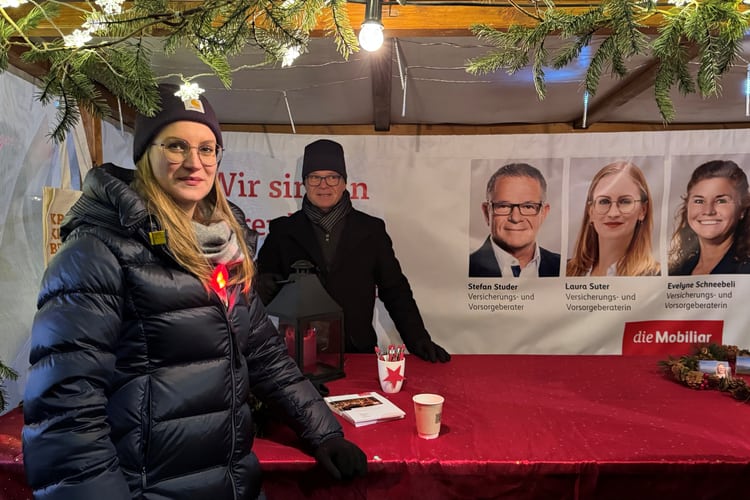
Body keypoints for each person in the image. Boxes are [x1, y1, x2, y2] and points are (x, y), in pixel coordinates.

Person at [22, 84, 366, 500]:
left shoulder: (227, 246)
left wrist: (324, 432)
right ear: (145, 153)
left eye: (206, 149)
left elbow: (265, 355)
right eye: (176, 146)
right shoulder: (96, 250)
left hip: (231, 484)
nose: (194, 162)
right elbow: (66, 411)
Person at [256, 139, 450, 363]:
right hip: (300, 354)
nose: (323, 185)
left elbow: (395, 290)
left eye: (332, 177)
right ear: (304, 183)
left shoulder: (371, 230)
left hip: (357, 352)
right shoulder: (282, 232)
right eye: (315, 177)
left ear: (344, 182)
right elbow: (262, 294)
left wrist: (418, 339)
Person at [567, 161, 660, 277]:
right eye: (604, 201)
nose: (613, 213)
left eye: (625, 201)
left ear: (643, 211)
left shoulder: (656, 276)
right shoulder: (565, 271)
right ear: (591, 211)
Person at [469, 163, 560, 277]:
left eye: (528, 207)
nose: (515, 218)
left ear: (543, 213)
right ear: (487, 213)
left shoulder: (563, 267)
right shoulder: (465, 268)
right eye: (504, 206)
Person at [668, 160, 750, 275]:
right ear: (687, 206)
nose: (708, 211)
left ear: (742, 210)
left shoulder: (745, 271)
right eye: (699, 201)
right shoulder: (678, 271)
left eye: (721, 201)